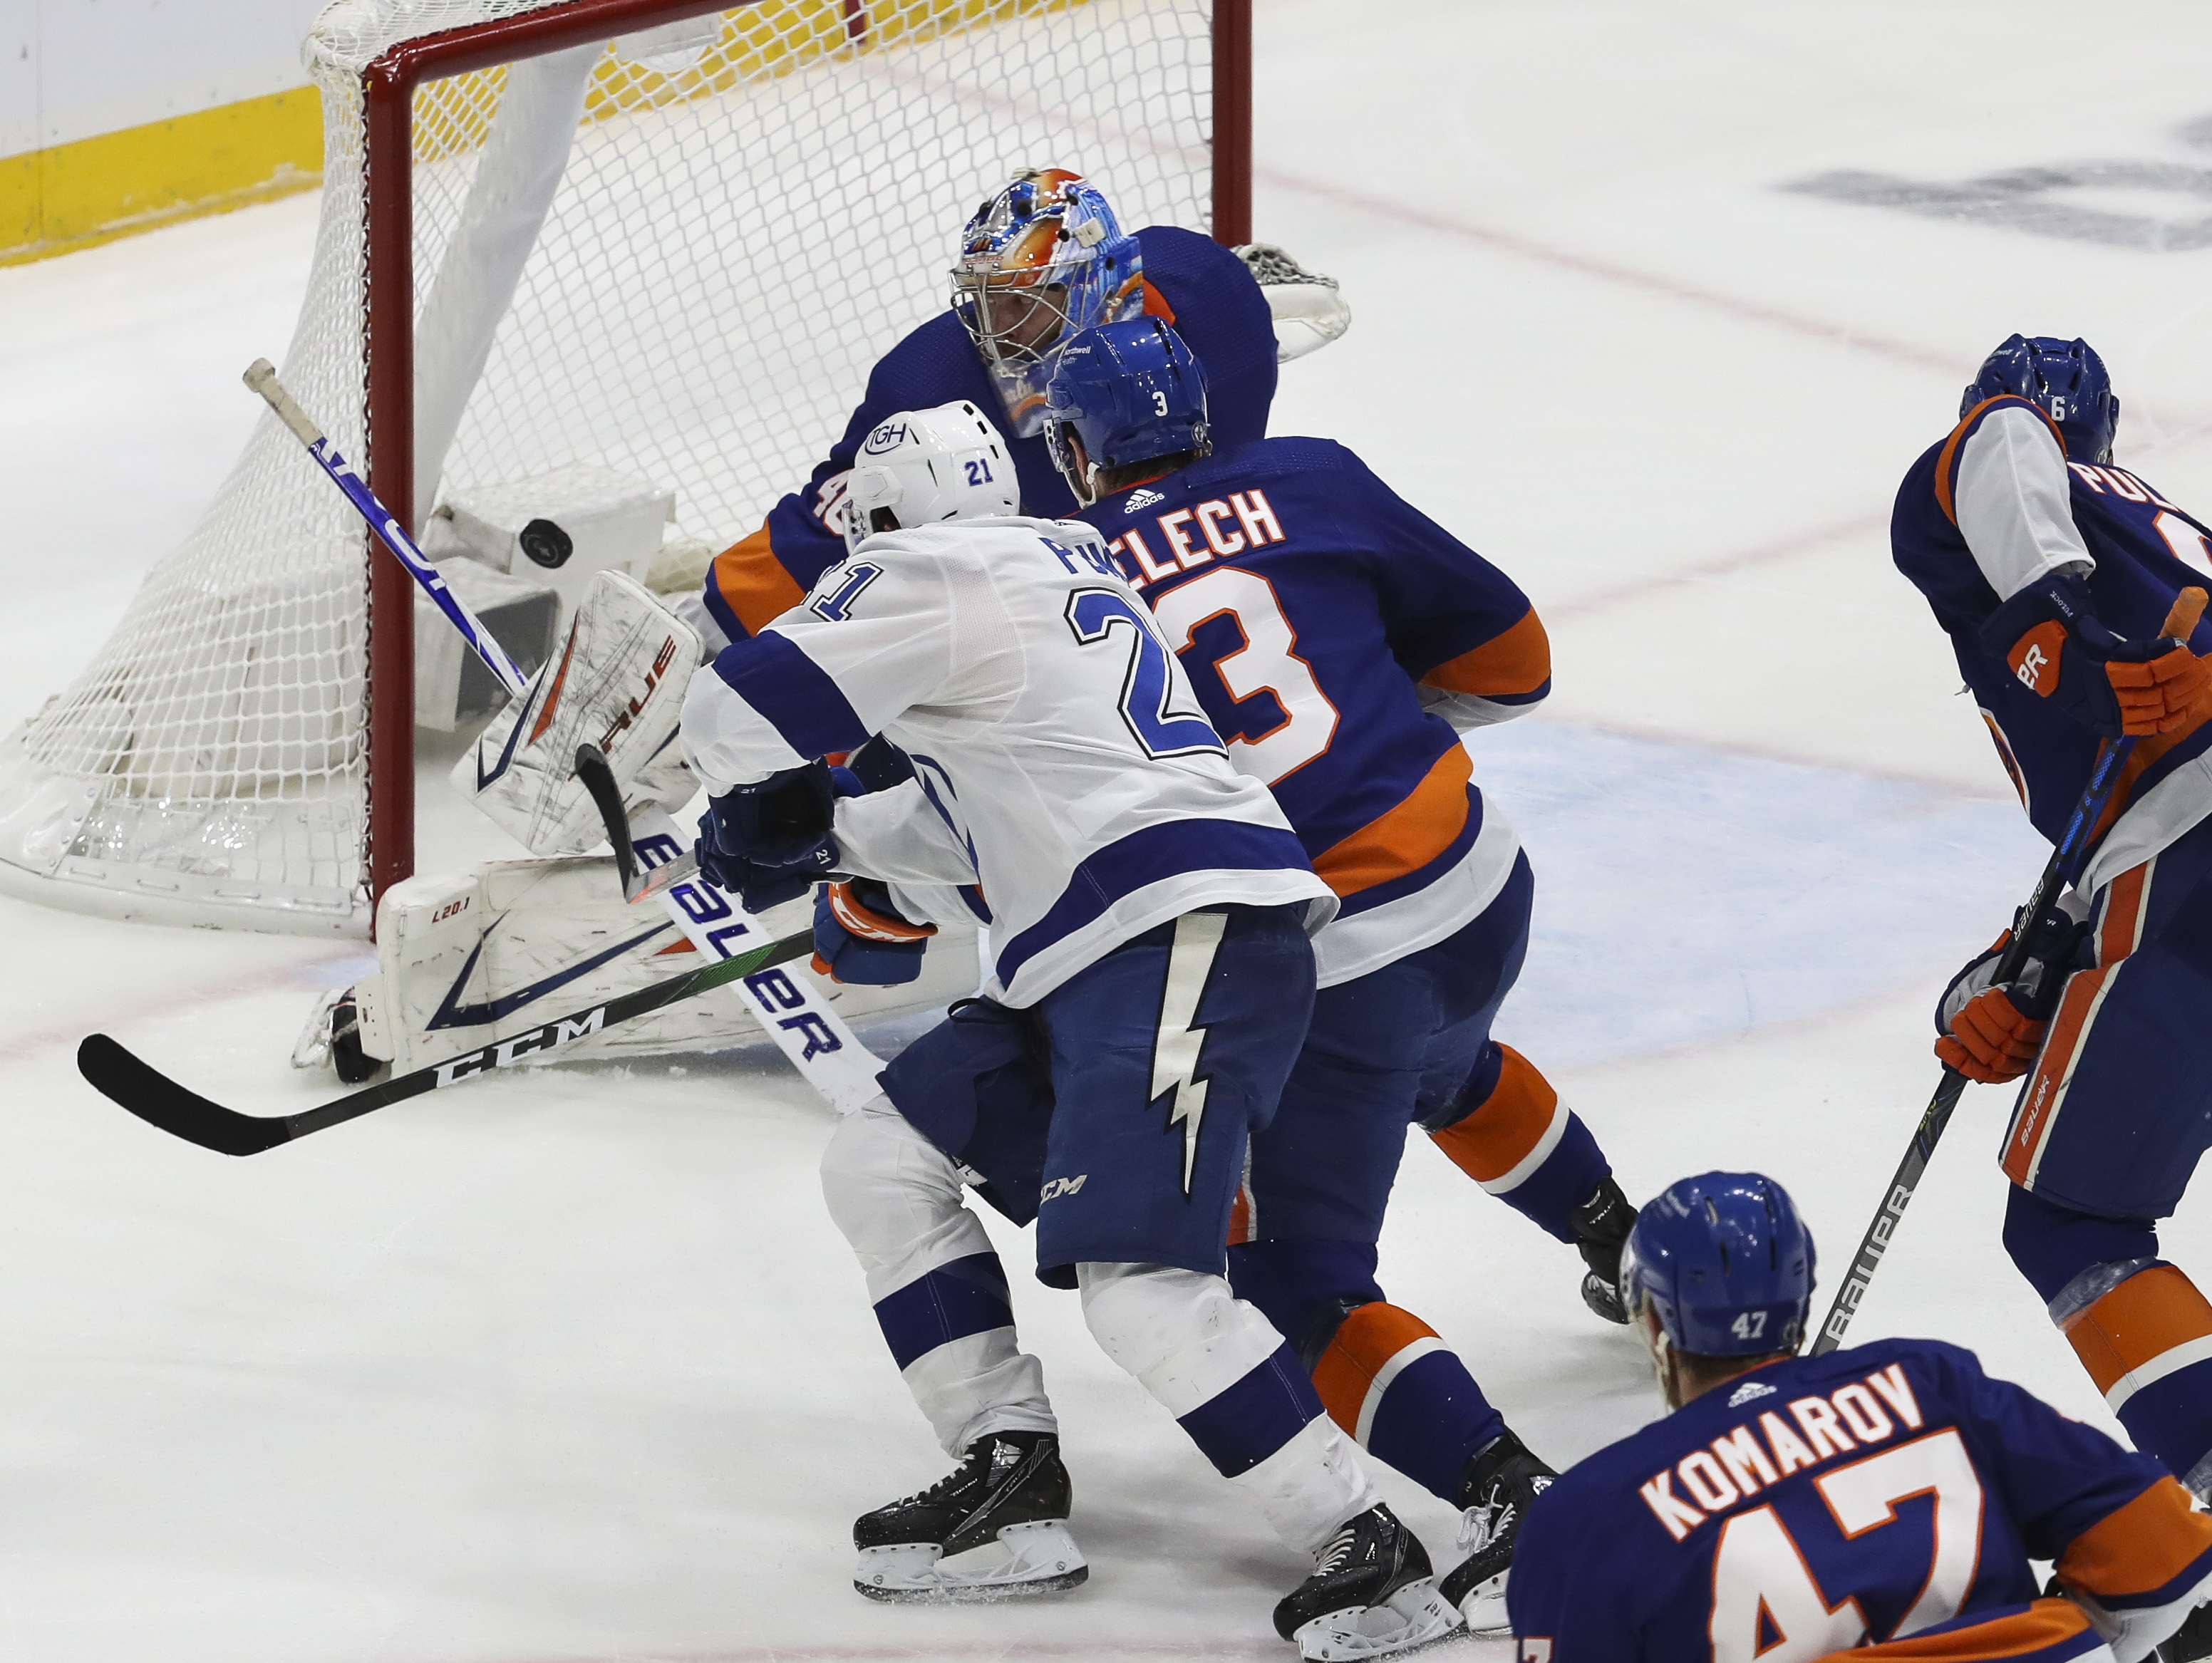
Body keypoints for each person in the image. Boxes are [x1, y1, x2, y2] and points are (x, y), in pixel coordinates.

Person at [677, 400, 1462, 1657]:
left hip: (1169, 940)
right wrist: (822, 833)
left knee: (1143, 1290)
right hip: (1120, 944)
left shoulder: (930, 566)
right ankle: (1009, 1475)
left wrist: (752, 792)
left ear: (891, 520)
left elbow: (729, 711)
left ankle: (1365, 1542)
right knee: (879, 1156)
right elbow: (975, 830)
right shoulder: (1054, 571)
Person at [1043, 316, 1636, 1624]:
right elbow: (1513, 662)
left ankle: (1505, 1493)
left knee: (1296, 1280)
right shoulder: (1307, 472)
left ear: (1077, 450)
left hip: (1328, 955)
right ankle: (1629, 1247)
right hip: (1478, 878)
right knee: (1449, 1062)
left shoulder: (1061, 582)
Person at [1893, 336, 2212, 1501]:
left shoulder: (2019, 476)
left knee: (2073, 1221)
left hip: (2187, 847)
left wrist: (2076, 638)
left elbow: (1998, 436)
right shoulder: (2164, 545)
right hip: (2171, 847)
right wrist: (2010, 977)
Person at [1507, 1170, 2212, 1662]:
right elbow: (2167, 1554)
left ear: (1654, 1325)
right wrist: (2082, 1632)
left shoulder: (1582, 1520)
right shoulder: (1926, 1386)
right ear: (1799, 1302)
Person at [691, 167, 1285, 648]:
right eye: (985, 301)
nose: (996, 332)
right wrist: (707, 632)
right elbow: (831, 527)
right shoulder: (931, 388)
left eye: (1024, 303)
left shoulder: (1220, 313)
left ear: (1101, 290)